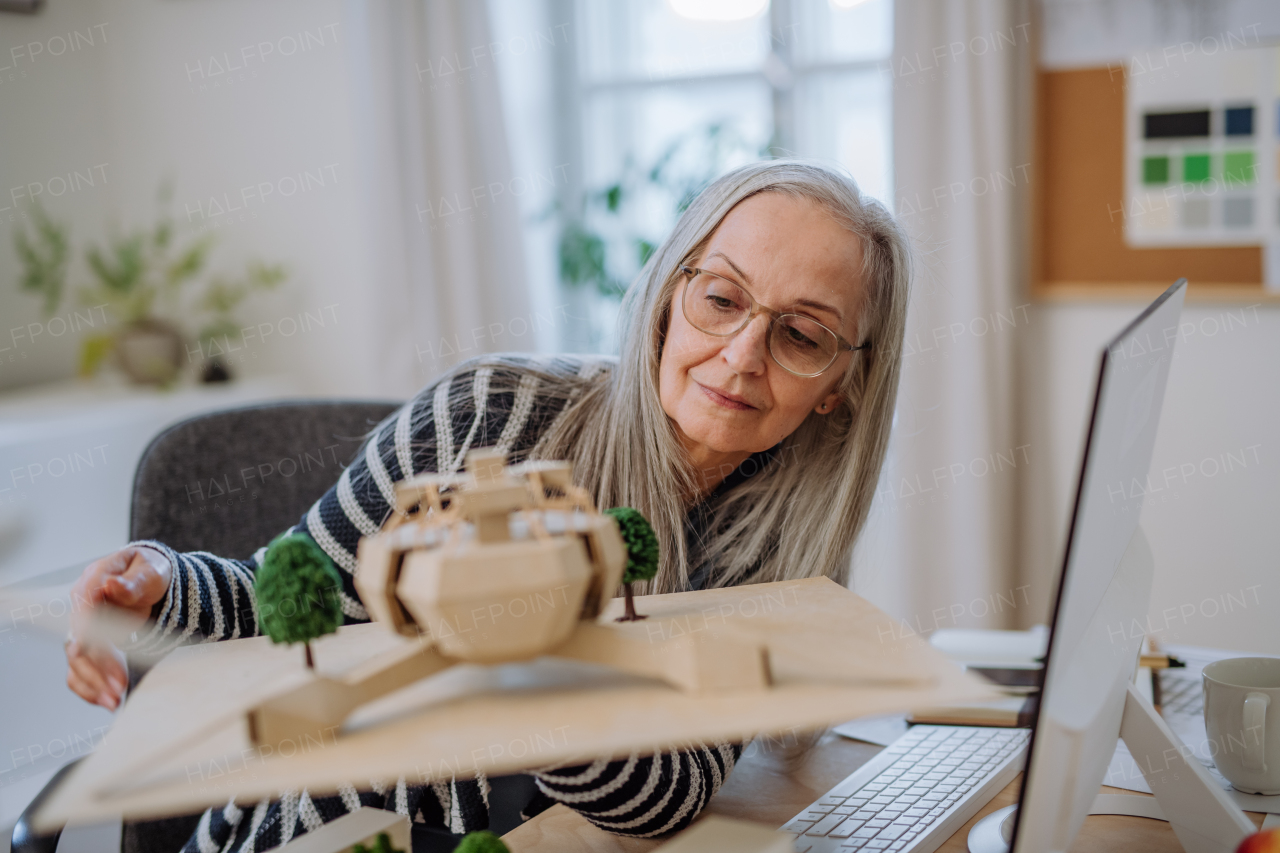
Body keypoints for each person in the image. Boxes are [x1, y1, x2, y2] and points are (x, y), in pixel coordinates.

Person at [64, 159, 909, 850]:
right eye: (721, 298)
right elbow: (291, 604)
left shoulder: (778, 547)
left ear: (842, 384)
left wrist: (532, 665)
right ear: (666, 296)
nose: (741, 355)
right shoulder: (486, 415)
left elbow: (667, 795)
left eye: (801, 334)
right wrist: (162, 584)